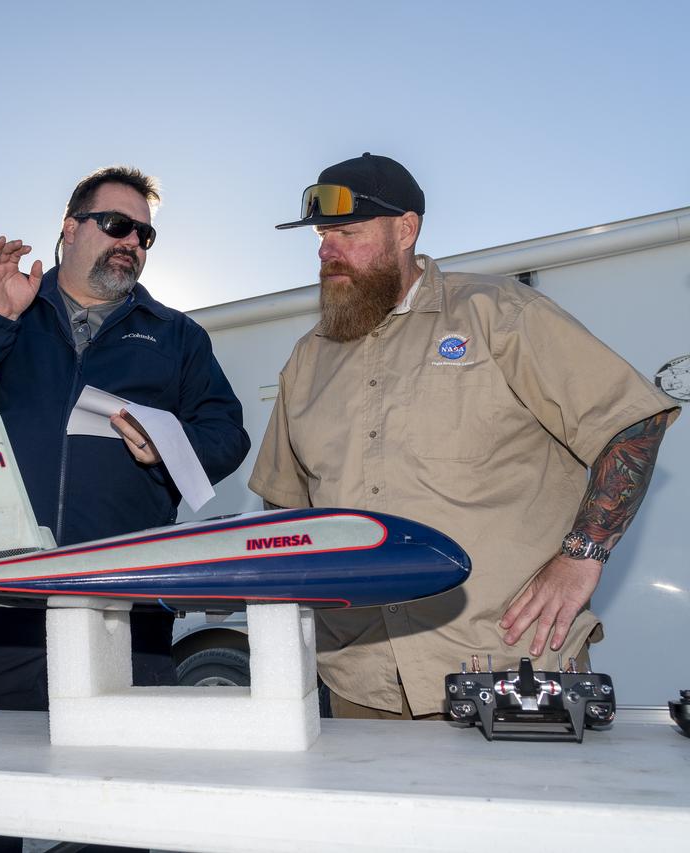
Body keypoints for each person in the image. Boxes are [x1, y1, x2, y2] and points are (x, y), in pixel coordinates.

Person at [250, 152, 678, 719]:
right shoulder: (308, 359)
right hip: (361, 682)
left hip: (508, 669)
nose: (327, 252)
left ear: (406, 230)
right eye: (323, 236)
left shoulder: (498, 313)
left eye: (347, 233)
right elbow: (282, 502)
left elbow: (631, 422)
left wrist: (582, 556)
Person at [0, 166, 249, 852]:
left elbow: (228, 433)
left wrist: (165, 445)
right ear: (69, 229)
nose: (132, 241)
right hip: (6, 614)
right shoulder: (11, 310)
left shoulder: (174, 335)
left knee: (117, 824)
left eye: (145, 233)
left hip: (125, 618)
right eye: (117, 225)